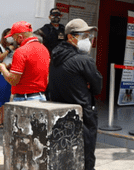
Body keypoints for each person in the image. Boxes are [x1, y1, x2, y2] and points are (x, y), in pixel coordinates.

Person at [48, 18, 102, 170]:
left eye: (88, 36)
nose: (88, 40)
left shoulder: (55, 58)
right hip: (84, 113)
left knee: (65, 152)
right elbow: (97, 87)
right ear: (71, 37)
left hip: (60, 114)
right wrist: (87, 84)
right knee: (86, 152)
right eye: (84, 36)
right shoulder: (84, 60)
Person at [0, 21, 50, 102]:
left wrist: (2, 68)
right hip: (41, 97)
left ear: (20, 37)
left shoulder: (21, 51)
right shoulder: (44, 49)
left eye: (14, 38)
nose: (13, 41)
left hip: (25, 99)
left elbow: (13, 81)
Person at [0, 28, 14, 128]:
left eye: (12, 35)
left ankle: (5, 121)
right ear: (4, 36)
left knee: (7, 99)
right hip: (0, 76)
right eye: (8, 35)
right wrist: (8, 50)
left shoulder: (17, 47)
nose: (10, 37)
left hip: (11, 75)